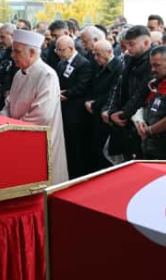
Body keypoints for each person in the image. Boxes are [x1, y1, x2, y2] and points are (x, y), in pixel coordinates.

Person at [2, 30, 68, 185]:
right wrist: (1, 119)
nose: (12, 55)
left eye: (17, 51)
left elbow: (42, 115)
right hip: (18, 135)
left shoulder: (47, 75)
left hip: (38, 139)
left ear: (31, 52)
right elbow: (9, 103)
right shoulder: (19, 74)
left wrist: (13, 126)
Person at [105, 25, 153, 161]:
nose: (128, 49)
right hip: (123, 119)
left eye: (132, 45)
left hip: (138, 119)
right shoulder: (128, 58)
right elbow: (119, 86)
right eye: (126, 45)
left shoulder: (153, 60)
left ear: (146, 43)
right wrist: (112, 111)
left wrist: (124, 114)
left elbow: (142, 91)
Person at [55, 35, 93, 179]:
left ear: (71, 49)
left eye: (61, 50)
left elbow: (82, 86)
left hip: (75, 110)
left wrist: (66, 93)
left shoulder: (83, 63)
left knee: (75, 144)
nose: (58, 53)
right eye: (57, 50)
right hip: (63, 108)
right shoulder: (61, 63)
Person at [135, 45, 166, 160]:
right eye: (152, 65)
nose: (153, 69)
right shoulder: (154, 82)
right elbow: (141, 105)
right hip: (148, 145)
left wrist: (150, 130)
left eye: (157, 65)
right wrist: (139, 122)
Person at [85, 40, 123, 172]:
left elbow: (112, 92)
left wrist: (95, 103)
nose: (95, 58)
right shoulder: (99, 65)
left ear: (109, 52)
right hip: (95, 111)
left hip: (105, 113)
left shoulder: (118, 66)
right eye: (94, 54)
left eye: (98, 55)